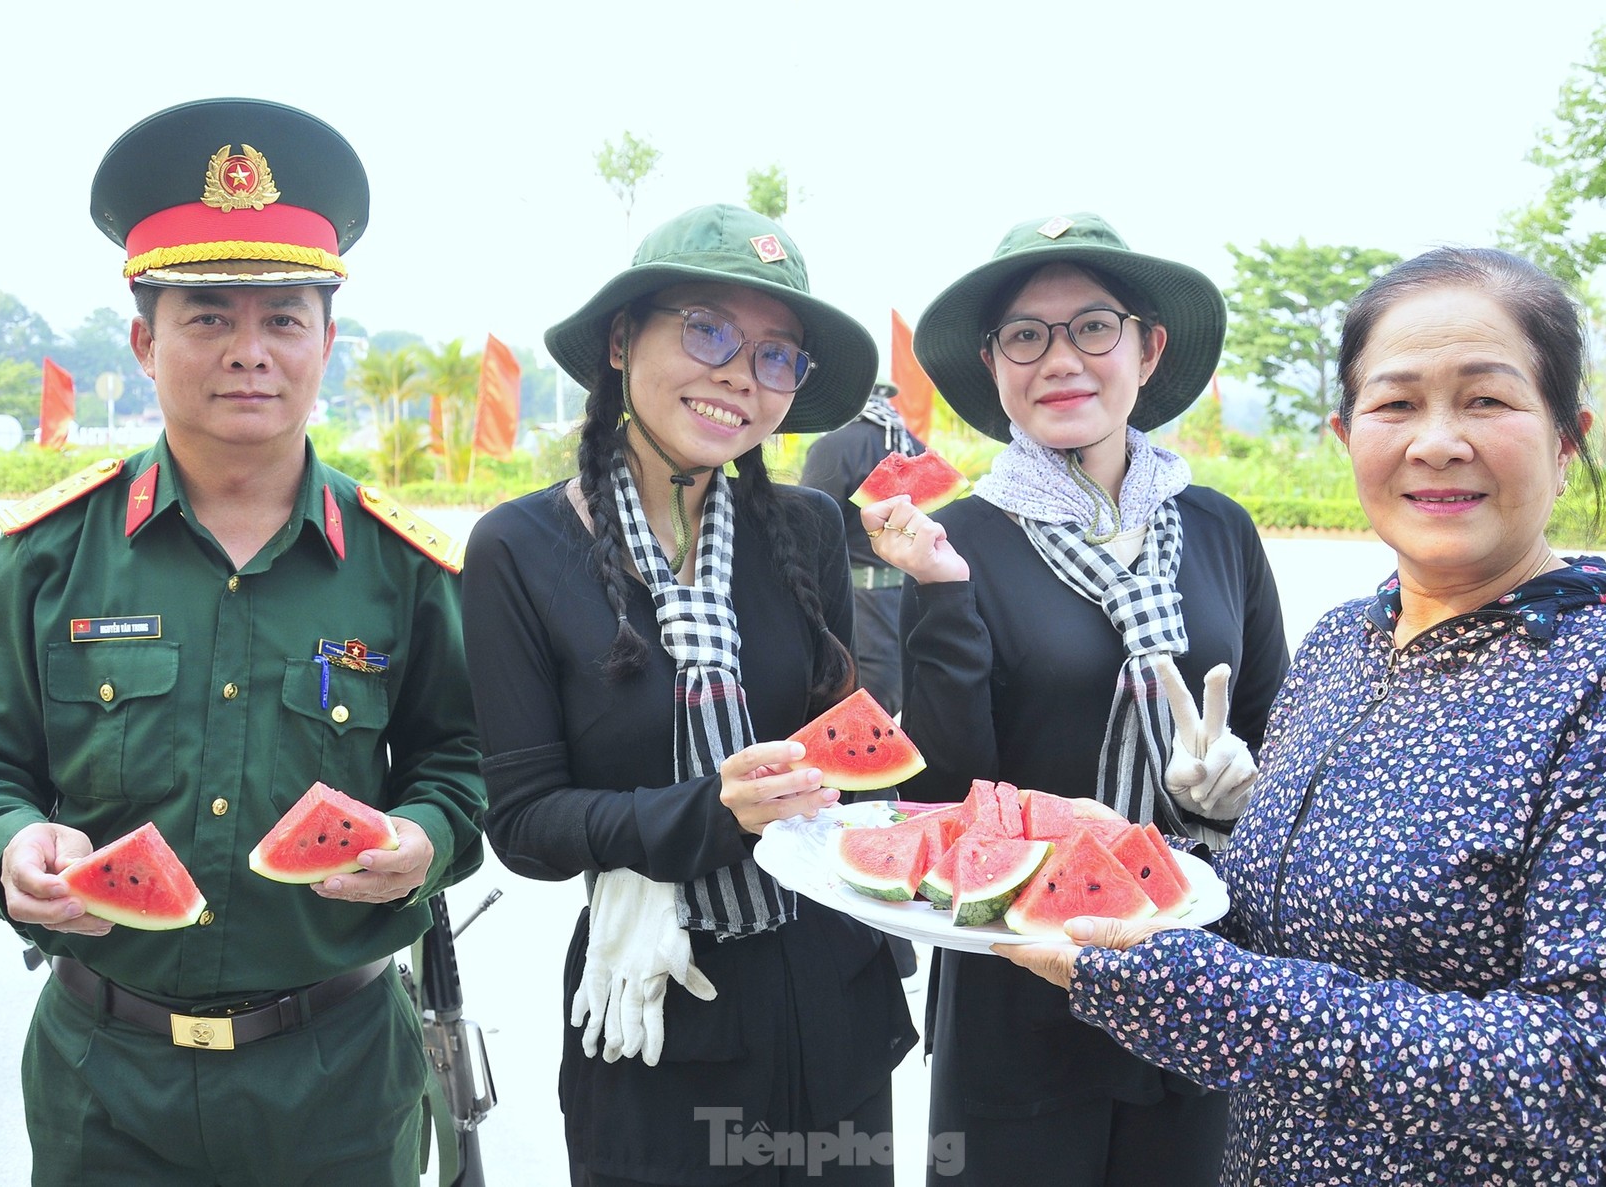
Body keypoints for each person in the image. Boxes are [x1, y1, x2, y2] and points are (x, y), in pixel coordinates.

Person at [998, 246, 1606, 1186]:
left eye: (1486, 399)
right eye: (1396, 404)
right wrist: (1147, 874)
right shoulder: (1344, 643)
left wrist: (1190, 991)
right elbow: (1281, 919)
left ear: (1567, 439)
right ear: (1346, 432)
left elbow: (1582, 1072)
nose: (1436, 441)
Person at [0, 98, 486, 1185]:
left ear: (327, 341)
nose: (248, 353)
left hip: (341, 1078)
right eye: (208, 317)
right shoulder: (46, 557)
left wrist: (422, 837)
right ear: (146, 339)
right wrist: (5, 845)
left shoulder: (402, 565)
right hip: (104, 1081)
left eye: (281, 319)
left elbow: (462, 766)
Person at [461, 204, 916, 1185]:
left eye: (774, 355)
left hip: (835, 992)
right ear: (623, 340)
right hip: (657, 1017)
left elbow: (847, 755)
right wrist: (707, 811)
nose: (738, 376)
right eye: (705, 330)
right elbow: (527, 825)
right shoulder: (520, 549)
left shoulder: (803, 527)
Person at [861, 213, 1290, 1186]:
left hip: (1196, 964)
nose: (1060, 359)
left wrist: (1239, 785)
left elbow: (1279, 730)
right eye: (1026, 335)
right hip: (1019, 981)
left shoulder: (1219, 529)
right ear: (993, 363)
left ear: (1149, 347)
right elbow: (947, 791)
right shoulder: (958, 537)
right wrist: (940, 592)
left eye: (1092, 327)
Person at [799, 382, 925, 716]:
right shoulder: (913, 447)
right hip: (906, 602)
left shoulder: (834, 446)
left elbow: (807, 533)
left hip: (856, 607)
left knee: (858, 715)